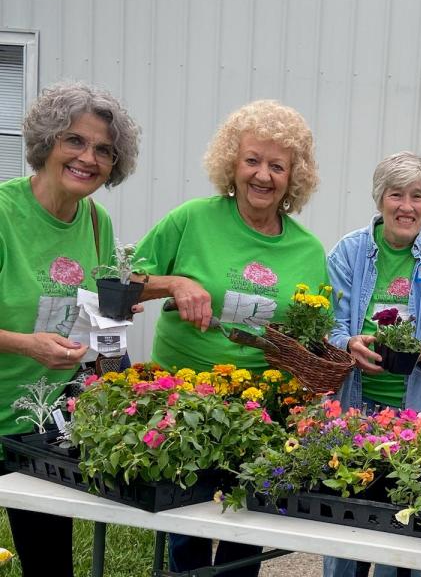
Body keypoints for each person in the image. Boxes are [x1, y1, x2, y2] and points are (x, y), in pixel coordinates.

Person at [135, 100, 328, 576]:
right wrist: (174, 283)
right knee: (187, 526)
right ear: (231, 164)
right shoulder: (192, 220)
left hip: (261, 410)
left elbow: (315, 337)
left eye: (277, 166)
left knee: (247, 528)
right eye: (252, 160)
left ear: (293, 176)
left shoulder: (307, 249)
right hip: (182, 399)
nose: (263, 176)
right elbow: (122, 282)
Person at [0, 81, 141, 577]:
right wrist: (26, 345)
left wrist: (110, 320)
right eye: (75, 141)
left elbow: (88, 310)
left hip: (40, 428)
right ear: (47, 143)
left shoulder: (97, 223)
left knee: (49, 565)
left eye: (104, 149)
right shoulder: (3, 213)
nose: (89, 158)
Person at [323, 151, 421, 577]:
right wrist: (348, 343)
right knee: (347, 522)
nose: (407, 206)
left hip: (417, 417)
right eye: (396, 194)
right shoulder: (349, 252)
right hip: (356, 411)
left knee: (404, 529)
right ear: (380, 199)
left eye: (417, 196)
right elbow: (327, 328)